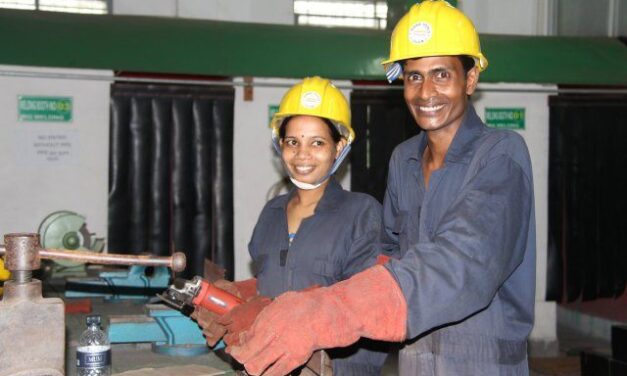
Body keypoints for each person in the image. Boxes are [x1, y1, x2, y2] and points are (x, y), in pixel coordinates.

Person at [226, 1, 536, 375]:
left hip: (482, 364)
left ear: (469, 79)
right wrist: (299, 302)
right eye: (413, 76)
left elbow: (464, 263)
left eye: (441, 74)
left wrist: (333, 310)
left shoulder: (500, 155)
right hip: (415, 359)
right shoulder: (403, 161)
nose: (425, 92)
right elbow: (388, 257)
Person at [193, 76, 389, 375]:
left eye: (318, 143)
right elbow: (273, 282)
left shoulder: (362, 214)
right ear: (279, 145)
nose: (302, 154)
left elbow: (369, 308)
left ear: (339, 147)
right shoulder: (271, 214)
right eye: (292, 142)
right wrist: (237, 296)